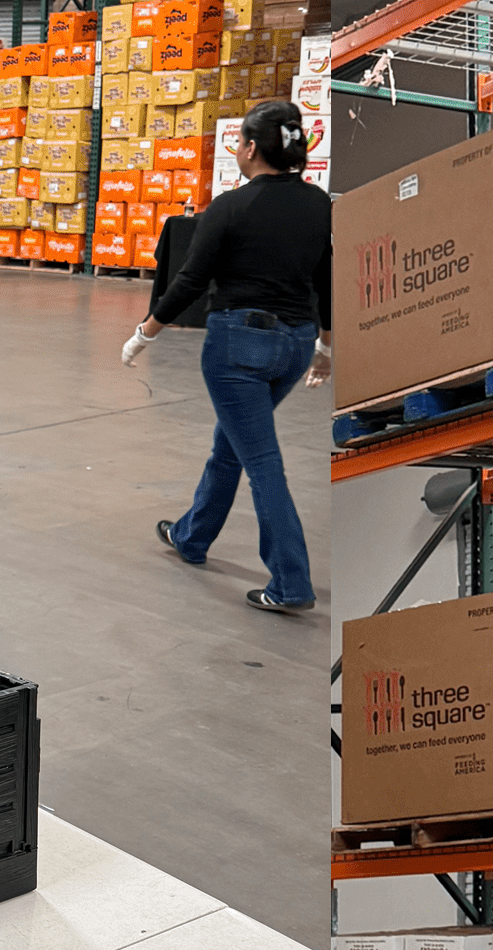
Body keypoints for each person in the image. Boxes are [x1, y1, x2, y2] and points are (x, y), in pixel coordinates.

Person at [122, 100, 330, 615]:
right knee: (232, 444)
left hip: (240, 347)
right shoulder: (319, 204)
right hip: (295, 346)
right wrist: (326, 344)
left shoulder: (230, 208)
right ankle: (192, 536)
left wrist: (145, 334)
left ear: (253, 148)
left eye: (239, 142)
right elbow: (325, 279)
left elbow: (189, 279)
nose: (237, 150)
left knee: (261, 460)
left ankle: (290, 581)